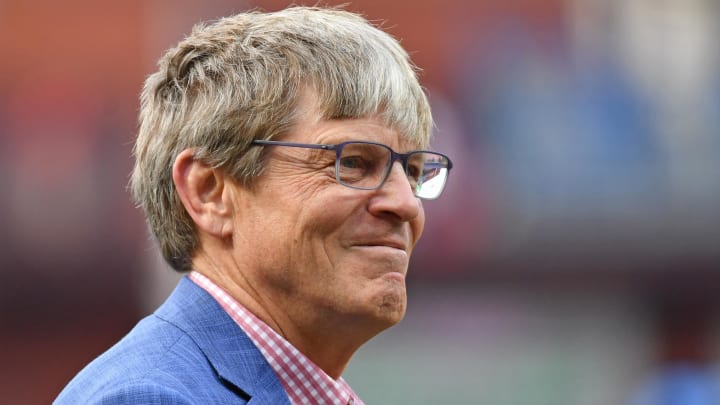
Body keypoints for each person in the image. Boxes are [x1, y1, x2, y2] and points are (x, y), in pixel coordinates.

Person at [55, 6, 453, 404]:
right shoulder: (150, 397)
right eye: (352, 162)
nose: (406, 204)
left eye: (414, 171)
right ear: (209, 192)